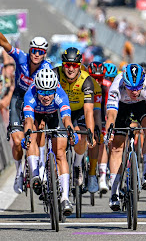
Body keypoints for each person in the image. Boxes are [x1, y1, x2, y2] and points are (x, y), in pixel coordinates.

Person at [0, 10, 52, 194]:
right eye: (34, 51)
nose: (36, 55)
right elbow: (4, 43)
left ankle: (40, 169)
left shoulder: (47, 69)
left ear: (44, 54)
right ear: (30, 50)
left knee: (37, 135)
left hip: (37, 104)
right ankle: (19, 172)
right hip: (18, 99)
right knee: (16, 141)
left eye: (40, 52)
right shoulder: (21, 58)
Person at [104, 63, 146, 211]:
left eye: (138, 88)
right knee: (117, 145)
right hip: (121, 107)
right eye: (131, 88)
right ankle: (114, 193)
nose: (134, 92)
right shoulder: (116, 85)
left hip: (140, 106)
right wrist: (109, 130)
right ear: (125, 83)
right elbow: (111, 114)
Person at [22, 68, 77, 215]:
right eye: (42, 92)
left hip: (55, 116)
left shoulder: (60, 94)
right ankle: (35, 175)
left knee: (60, 153)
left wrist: (71, 131)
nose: (46, 96)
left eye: (49, 92)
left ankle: (65, 198)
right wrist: (26, 135)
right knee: (31, 135)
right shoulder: (30, 94)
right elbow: (28, 119)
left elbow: (66, 118)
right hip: (36, 115)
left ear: (55, 88)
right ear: (37, 89)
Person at [53, 47, 96, 187]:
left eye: (74, 66)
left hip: (79, 111)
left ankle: (77, 165)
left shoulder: (86, 80)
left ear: (79, 67)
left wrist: (90, 132)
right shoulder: (55, 74)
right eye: (67, 65)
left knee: (81, 136)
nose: (70, 69)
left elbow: (89, 111)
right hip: (59, 111)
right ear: (62, 65)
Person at [88, 61, 112, 194]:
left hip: (101, 114)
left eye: (99, 79)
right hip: (85, 113)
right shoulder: (84, 82)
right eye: (94, 78)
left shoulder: (107, 85)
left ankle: (102, 177)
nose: (97, 81)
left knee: (101, 142)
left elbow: (108, 107)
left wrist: (107, 124)